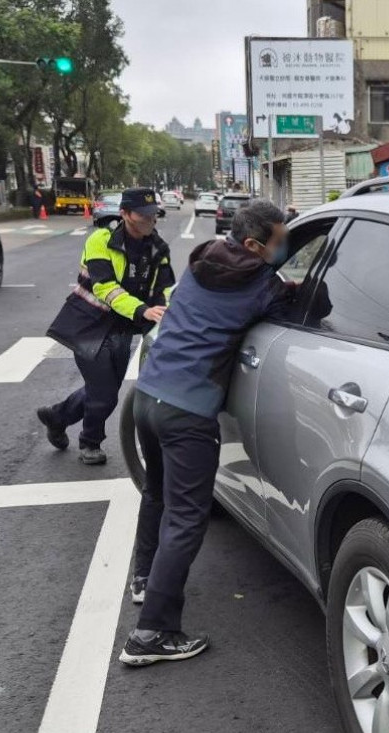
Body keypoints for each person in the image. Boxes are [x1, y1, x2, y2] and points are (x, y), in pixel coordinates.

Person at [119, 199, 297, 666]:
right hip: (187, 413)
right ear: (256, 245)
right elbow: (305, 303)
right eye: (280, 241)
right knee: (186, 518)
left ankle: (144, 579)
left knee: (157, 494)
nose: (285, 247)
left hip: (147, 397)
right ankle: (152, 633)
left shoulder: (201, 260)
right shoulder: (262, 284)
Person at [38, 187, 173, 464]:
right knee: (105, 394)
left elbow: (166, 289)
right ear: (124, 214)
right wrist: (143, 310)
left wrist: (170, 314)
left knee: (104, 387)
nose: (150, 221)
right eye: (143, 215)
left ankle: (57, 416)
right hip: (88, 325)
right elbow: (104, 288)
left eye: (153, 215)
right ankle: (90, 443)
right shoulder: (102, 240)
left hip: (121, 328)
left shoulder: (158, 248)